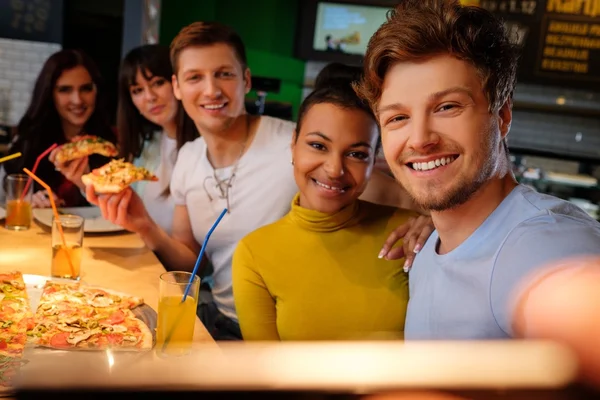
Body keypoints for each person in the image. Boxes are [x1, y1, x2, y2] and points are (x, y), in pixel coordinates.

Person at [86, 22, 429, 340]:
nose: (211, 90)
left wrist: (428, 220)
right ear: (177, 86)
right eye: (194, 77)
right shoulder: (188, 158)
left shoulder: (299, 148)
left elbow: (394, 193)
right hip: (219, 319)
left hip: (286, 328)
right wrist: (145, 226)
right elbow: (194, 261)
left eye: (224, 74)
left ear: (246, 80)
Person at [355, 0, 600, 339]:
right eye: (398, 117)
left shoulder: (546, 246)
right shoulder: (429, 248)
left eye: (447, 107)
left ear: (502, 116)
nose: (420, 139)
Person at [232, 64, 422, 341]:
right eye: (318, 146)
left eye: (356, 154)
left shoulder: (409, 233)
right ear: (293, 145)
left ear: (374, 162)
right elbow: (264, 373)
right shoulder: (253, 253)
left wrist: (441, 233)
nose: (334, 169)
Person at [1, 49, 116, 208]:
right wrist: (28, 201)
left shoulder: (113, 144)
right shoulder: (29, 140)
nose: (77, 100)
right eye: (65, 90)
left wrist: (88, 187)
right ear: (49, 94)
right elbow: (6, 198)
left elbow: (123, 209)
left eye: (86, 88)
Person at [109, 44, 197, 234]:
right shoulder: (148, 145)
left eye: (158, 83)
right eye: (137, 90)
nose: (150, 97)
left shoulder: (203, 150)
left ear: (177, 83)